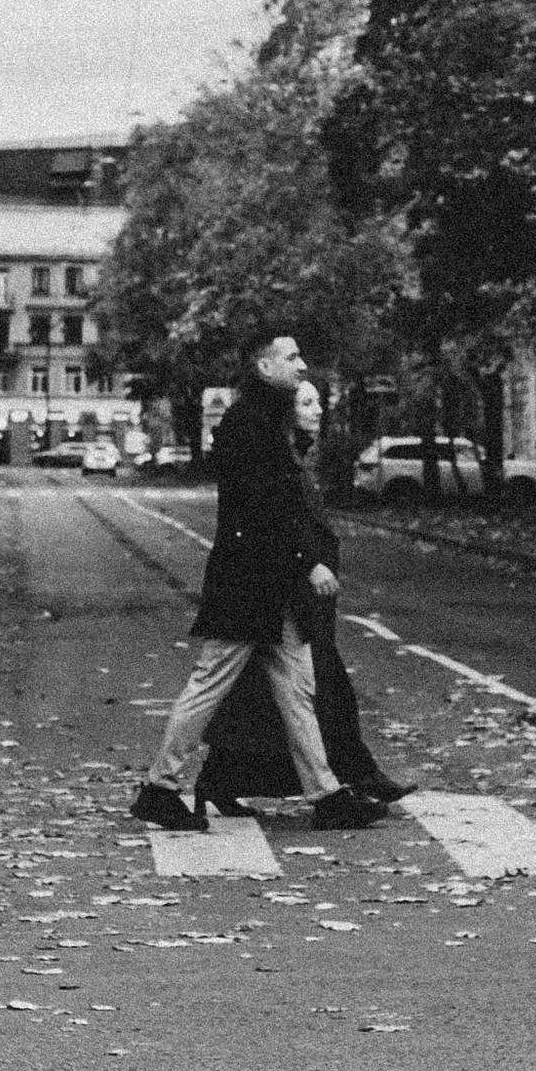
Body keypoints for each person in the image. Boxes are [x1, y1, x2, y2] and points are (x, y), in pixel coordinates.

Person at [131, 332, 390, 833]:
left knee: (298, 688)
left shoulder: (264, 420)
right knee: (208, 685)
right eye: (291, 356)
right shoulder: (249, 424)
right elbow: (264, 508)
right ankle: (160, 789)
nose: (301, 362)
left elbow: (281, 504)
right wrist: (306, 563)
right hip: (247, 585)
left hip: (268, 586)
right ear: (264, 365)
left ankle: (327, 794)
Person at [198, 380, 403, 811]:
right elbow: (278, 518)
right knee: (302, 691)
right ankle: (346, 781)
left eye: (316, 402)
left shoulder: (298, 452)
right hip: (286, 589)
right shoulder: (279, 455)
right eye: (306, 403)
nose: (317, 410)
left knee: (271, 694)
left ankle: (222, 779)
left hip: (299, 592)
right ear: (287, 413)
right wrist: (308, 563)